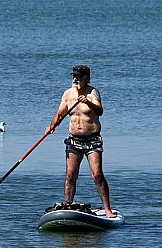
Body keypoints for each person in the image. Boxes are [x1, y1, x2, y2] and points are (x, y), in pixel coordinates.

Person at [45, 64, 113, 217]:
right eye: (73, 76)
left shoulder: (92, 93)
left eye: (79, 76)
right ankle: (67, 205)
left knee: (97, 175)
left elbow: (100, 110)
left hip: (92, 140)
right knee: (70, 174)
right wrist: (52, 125)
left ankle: (107, 208)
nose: (75, 79)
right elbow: (60, 113)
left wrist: (88, 102)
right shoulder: (68, 94)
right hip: (74, 140)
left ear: (87, 78)